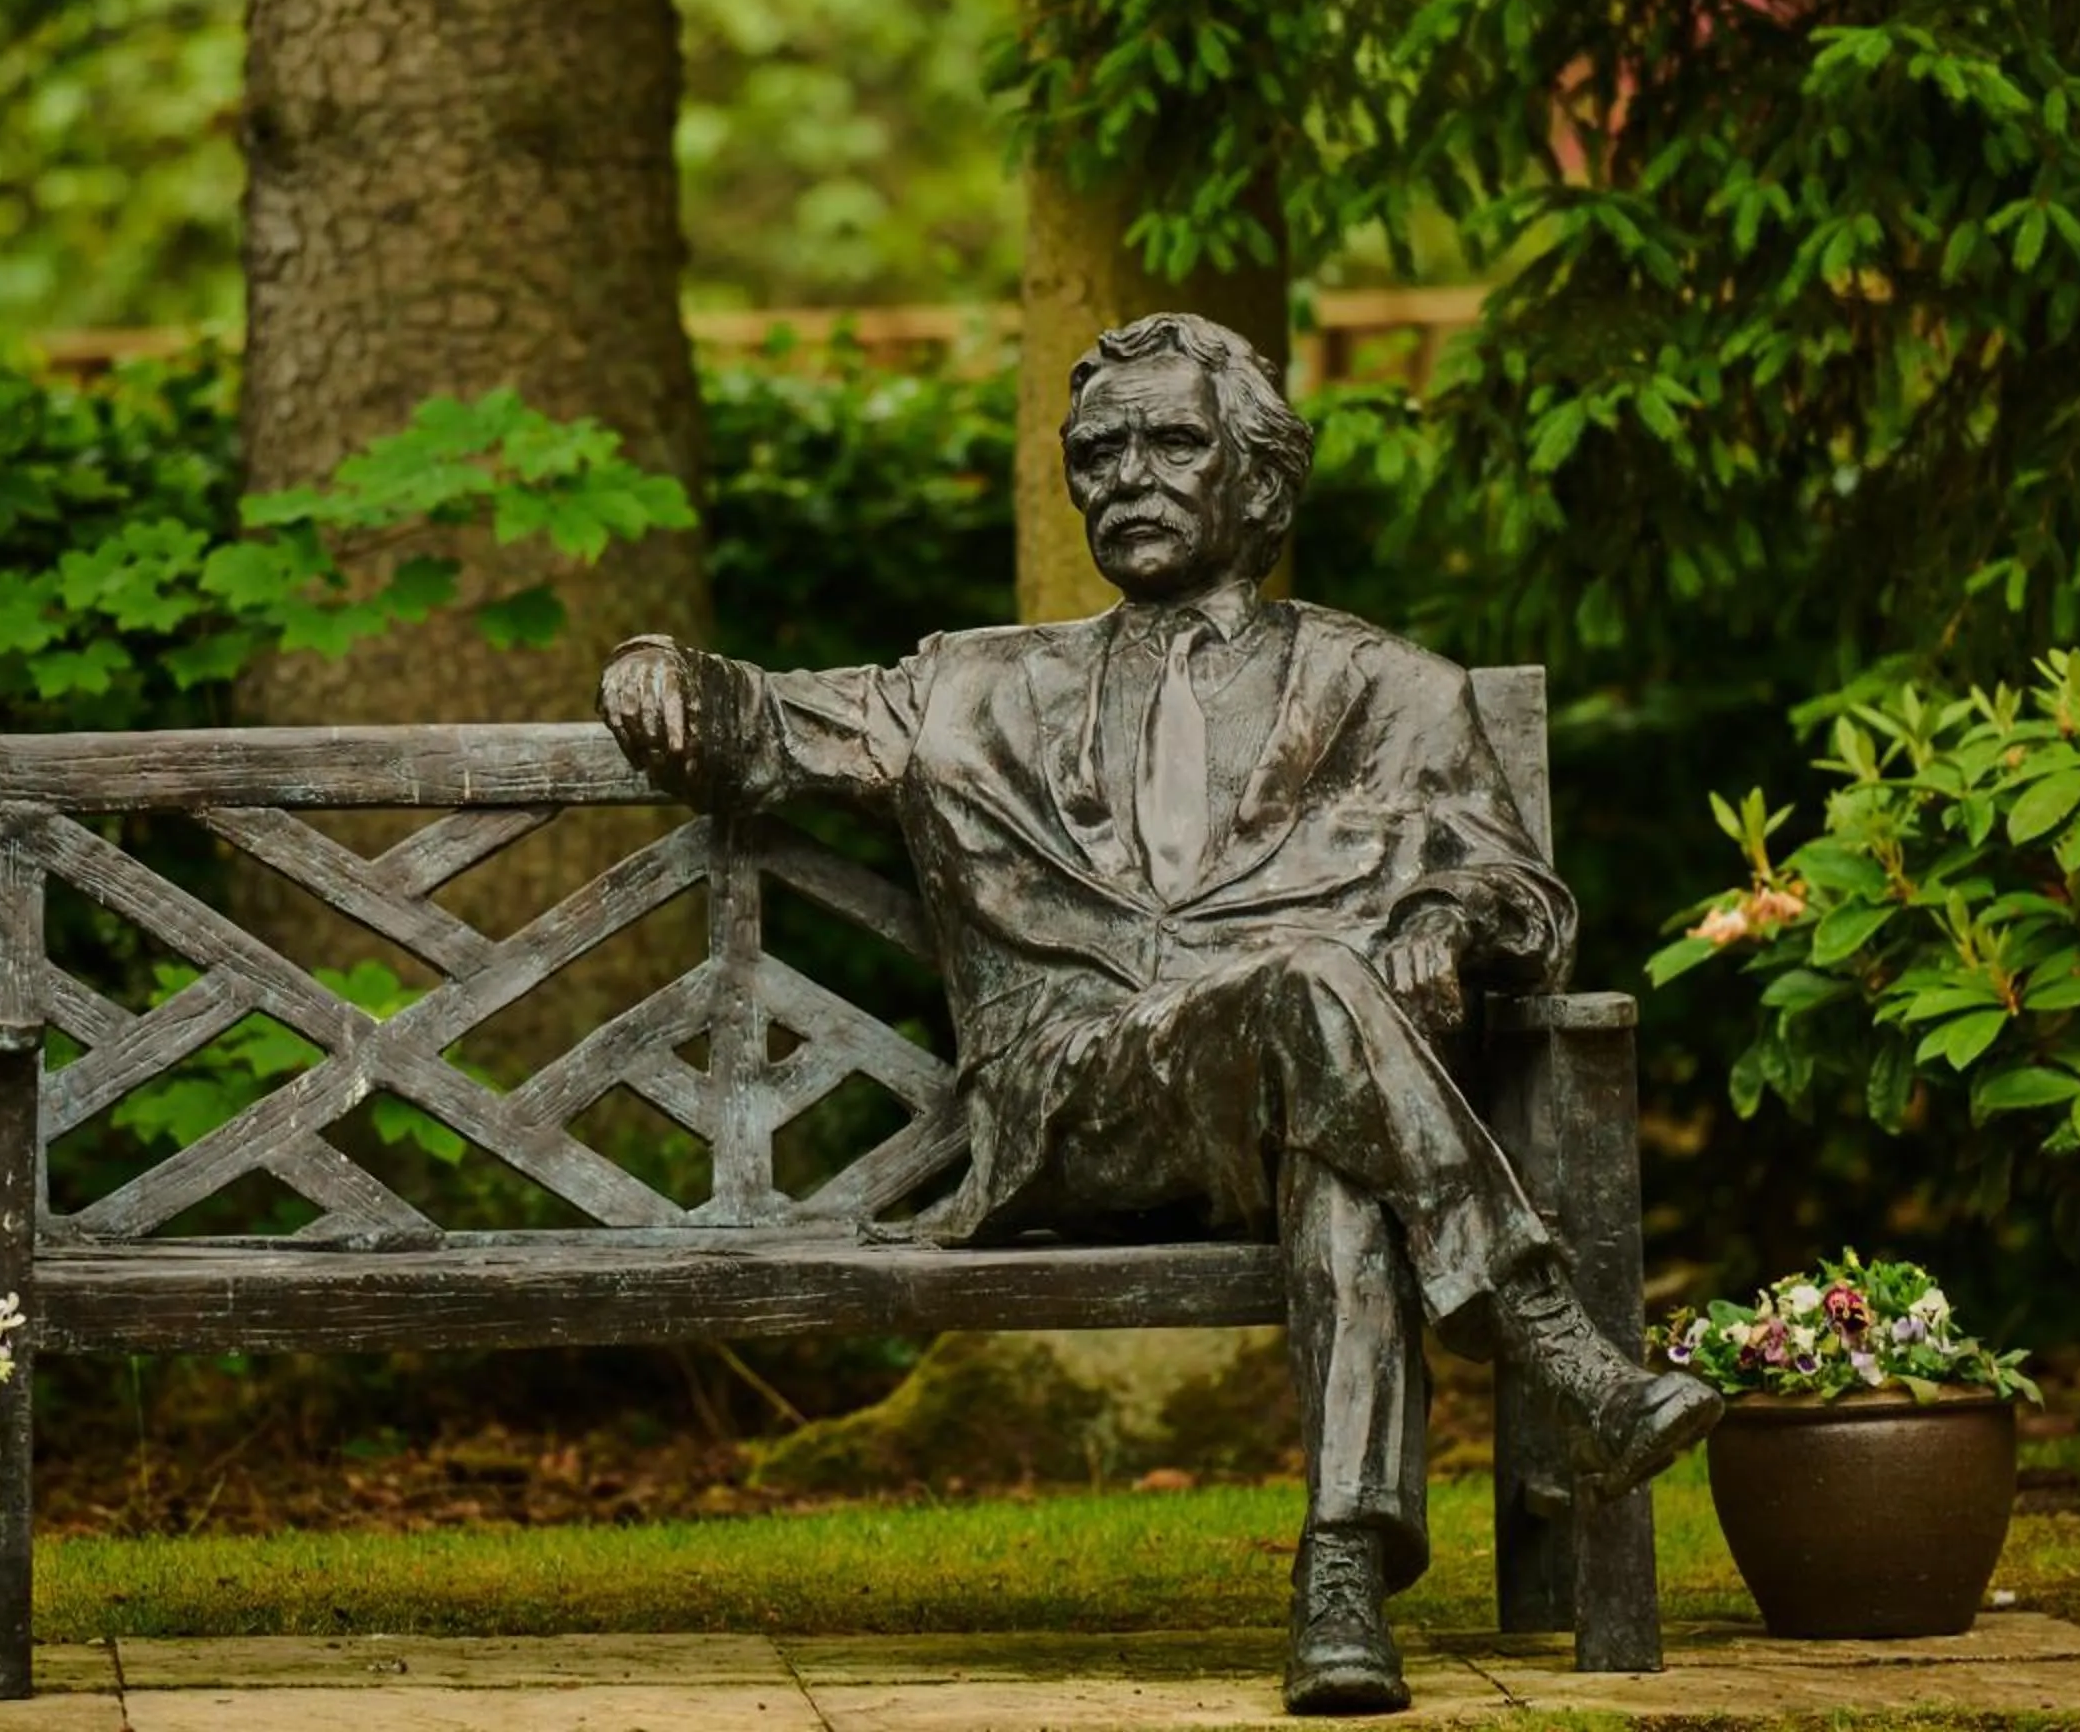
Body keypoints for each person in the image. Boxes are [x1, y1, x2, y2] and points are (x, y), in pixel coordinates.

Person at [598, 311, 1720, 1716]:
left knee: (1341, 1137)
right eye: (1100, 451)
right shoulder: (970, 685)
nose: (1128, 474)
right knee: (1322, 994)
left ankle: (1342, 1580)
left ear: (1260, 483)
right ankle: (1557, 1353)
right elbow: (754, 725)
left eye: (1172, 442)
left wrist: (1445, 923)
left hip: (1285, 1109)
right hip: (1070, 1106)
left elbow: (1523, 900)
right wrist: (651, 668)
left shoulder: (1393, 691)